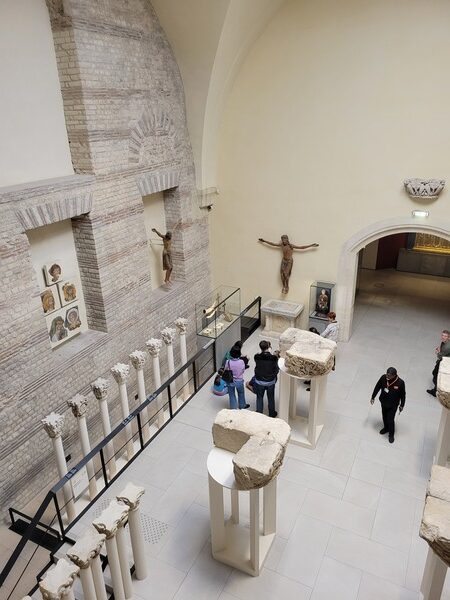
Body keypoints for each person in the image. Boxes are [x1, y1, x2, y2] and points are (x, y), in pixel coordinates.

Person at [370, 367, 406, 444]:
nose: (387, 376)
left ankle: (391, 434)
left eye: (389, 375)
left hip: (393, 405)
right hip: (383, 402)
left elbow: (403, 395)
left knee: (390, 419)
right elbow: (377, 387)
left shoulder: (400, 383)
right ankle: (386, 428)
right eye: (387, 374)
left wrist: (402, 405)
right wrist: (373, 397)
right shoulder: (383, 378)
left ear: (394, 375)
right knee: (384, 416)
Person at [254, 340, 280, 417]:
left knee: (259, 397)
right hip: (270, 381)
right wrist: (271, 353)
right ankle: (271, 413)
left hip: (259, 381)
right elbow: (276, 369)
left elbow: (259, 356)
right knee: (271, 398)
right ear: (269, 347)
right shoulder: (274, 358)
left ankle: (259, 413)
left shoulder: (256, 357)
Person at [427, 329, 450, 397]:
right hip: (443, 360)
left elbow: (440, 356)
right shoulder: (445, 342)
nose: (443, 337)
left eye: (445, 336)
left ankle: (435, 391)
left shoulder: (447, 347)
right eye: (442, 335)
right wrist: (440, 349)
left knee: (436, 375)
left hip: (444, 362)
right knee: (435, 373)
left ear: (449, 337)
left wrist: (438, 352)